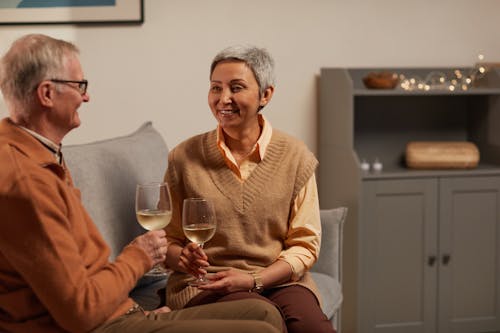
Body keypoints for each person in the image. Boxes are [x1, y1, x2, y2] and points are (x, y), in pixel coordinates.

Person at [0, 34, 285, 333]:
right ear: (47, 94)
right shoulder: (24, 180)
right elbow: (80, 312)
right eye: (79, 86)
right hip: (95, 327)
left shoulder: (42, 152)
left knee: (265, 312)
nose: (86, 98)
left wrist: (136, 310)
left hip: (118, 313)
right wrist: (140, 256)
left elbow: (80, 272)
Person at [163, 45, 336, 333]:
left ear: (265, 95)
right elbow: (167, 241)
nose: (223, 99)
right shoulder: (184, 157)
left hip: (279, 279)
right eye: (216, 88)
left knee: (313, 328)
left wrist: (255, 279)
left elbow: (304, 246)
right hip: (209, 283)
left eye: (236, 87)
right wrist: (181, 257)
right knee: (264, 321)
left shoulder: (295, 156)